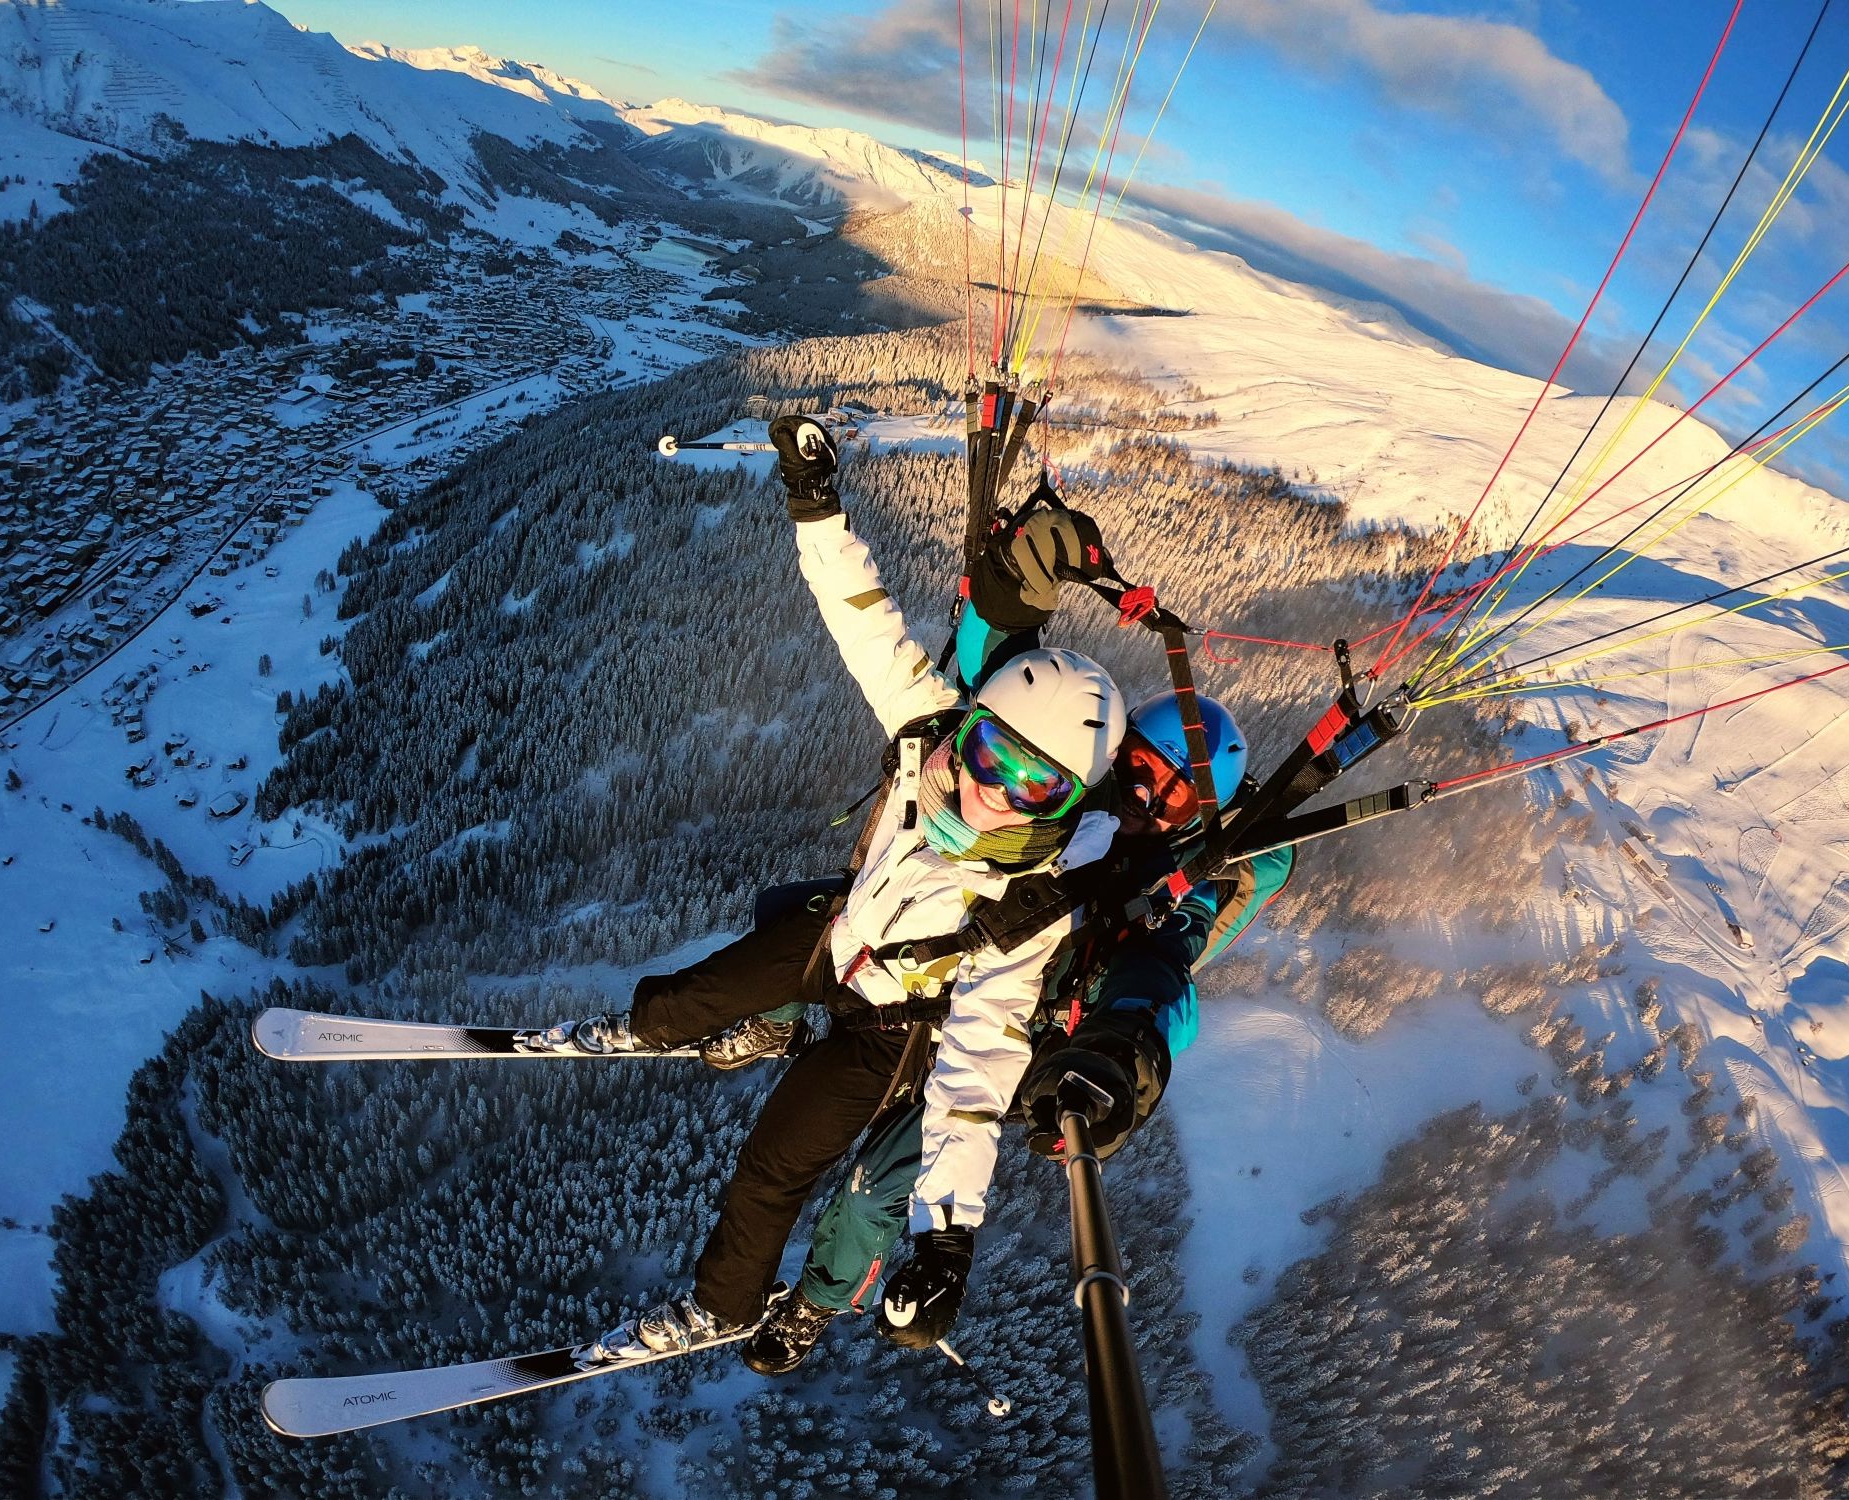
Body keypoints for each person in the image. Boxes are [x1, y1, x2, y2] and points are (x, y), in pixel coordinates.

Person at [532, 415, 1132, 1363]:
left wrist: (946, 1235)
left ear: (1067, 802)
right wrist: (815, 506)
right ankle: (645, 1027)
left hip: (888, 1029)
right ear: (969, 725)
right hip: (840, 939)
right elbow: (865, 622)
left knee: (772, 1165)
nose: (990, 791)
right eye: (989, 754)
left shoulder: (1027, 906)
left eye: (1033, 787)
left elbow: (978, 1065)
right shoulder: (928, 732)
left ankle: (723, 1305)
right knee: (700, 990)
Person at [740, 685, 1298, 1374]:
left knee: (873, 1188)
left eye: (1172, 796)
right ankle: (775, 1025)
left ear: (1196, 820)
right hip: (960, 952)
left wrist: (1128, 1038)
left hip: (1012, 1037)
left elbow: (1160, 962)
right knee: (794, 917)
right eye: (1140, 769)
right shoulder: (1074, 792)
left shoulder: (1180, 884)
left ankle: (815, 1303)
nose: (1143, 798)